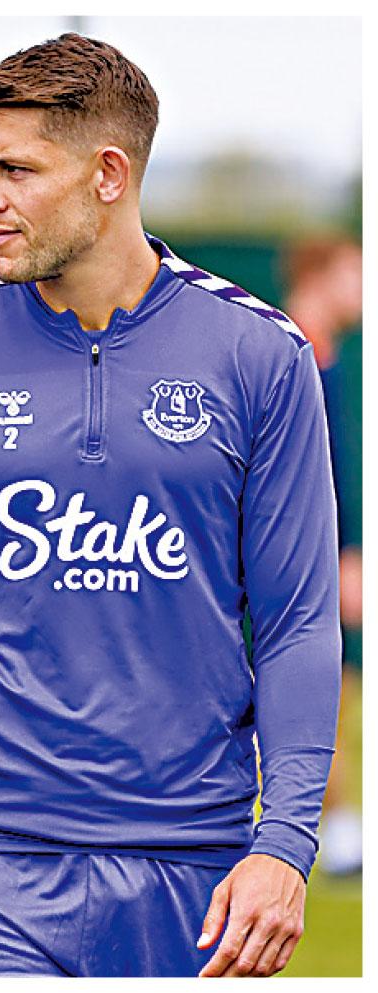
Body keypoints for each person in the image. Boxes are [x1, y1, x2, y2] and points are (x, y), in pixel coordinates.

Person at [0, 33, 340, 978]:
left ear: (109, 175)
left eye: (16, 170)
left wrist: (284, 844)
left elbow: (298, 623)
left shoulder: (261, 357)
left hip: (200, 873)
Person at [280, 236, 364, 876]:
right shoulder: (290, 354)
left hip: (327, 559)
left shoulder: (328, 357)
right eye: (354, 274)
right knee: (311, 690)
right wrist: (334, 559)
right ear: (319, 276)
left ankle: (335, 829)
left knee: (334, 689)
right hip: (296, 564)